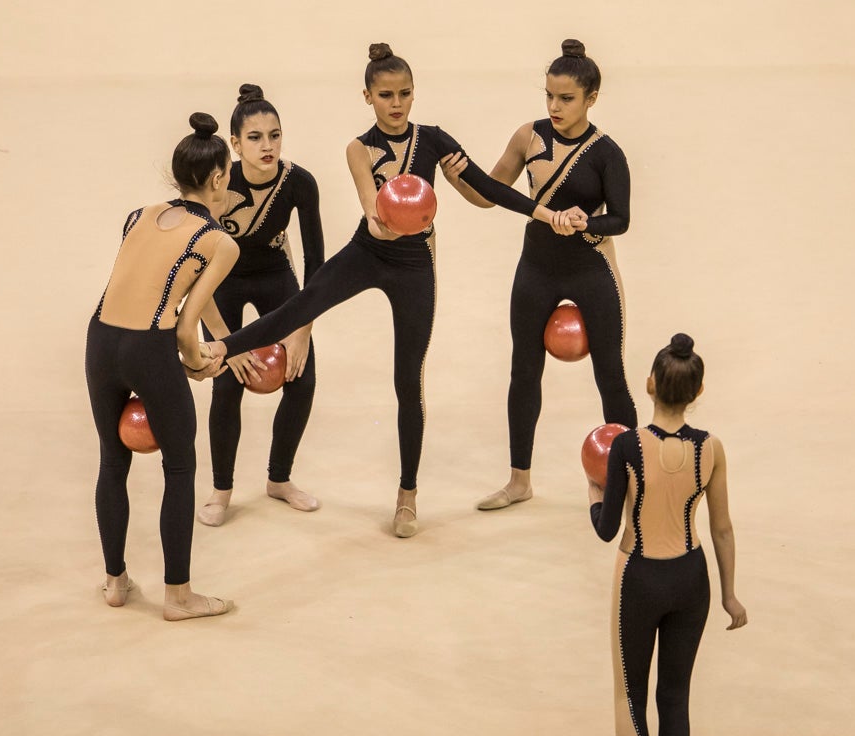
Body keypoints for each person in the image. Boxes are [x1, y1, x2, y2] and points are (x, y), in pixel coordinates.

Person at [207, 44, 571, 538]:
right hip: (367, 251)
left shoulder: (434, 140)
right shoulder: (359, 147)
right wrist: (378, 218)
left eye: (403, 93)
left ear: (413, 93)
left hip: (414, 264)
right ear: (368, 96)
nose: (396, 103)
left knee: (408, 379)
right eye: (385, 95)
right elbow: (366, 196)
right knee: (301, 305)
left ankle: (407, 498)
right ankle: (222, 347)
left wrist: (542, 212)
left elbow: (483, 191)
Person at [443, 39, 637, 510]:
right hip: (537, 269)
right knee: (523, 371)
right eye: (549, 95)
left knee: (610, 373)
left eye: (566, 98)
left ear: (592, 98)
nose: (554, 106)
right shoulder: (528, 137)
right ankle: (519, 480)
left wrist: (585, 221)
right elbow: (490, 193)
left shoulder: (606, 152)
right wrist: (457, 179)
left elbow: (622, 219)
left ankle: (636, 480)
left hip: (592, 270)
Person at [86, 113, 240, 620]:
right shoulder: (220, 240)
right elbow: (182, 327)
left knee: (113, 459)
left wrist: (225, 343)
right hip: (150, 349)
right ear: (218, 177)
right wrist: (202, 364)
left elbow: (178, 290)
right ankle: (178, 596)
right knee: (179, 465)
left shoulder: (138, 215)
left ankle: (114, 582)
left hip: (101, 341)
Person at [587, 333, 747, 736]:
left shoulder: (626, 447)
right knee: (675, 700)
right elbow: (722, 528)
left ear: (649, 384)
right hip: (691, 581)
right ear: (698, 393)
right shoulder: (711, 448)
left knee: (629, 698)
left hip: (639, 577)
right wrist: (730, 595)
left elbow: (605, 529)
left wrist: (594, 493)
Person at [195, 84, 324, 528]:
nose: (266, 146)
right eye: (254, 138)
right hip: (221, 283)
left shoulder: (299, 183)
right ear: (234, 144)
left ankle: (280, 479)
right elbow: (196, 265)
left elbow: (317, 263)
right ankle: (221, 490)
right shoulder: (217, 183)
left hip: (274, 274)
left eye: (274, 135)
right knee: (226, 384)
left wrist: (302, 329)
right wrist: (226, 345)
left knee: (301, 377)